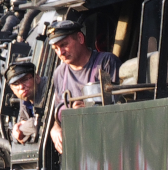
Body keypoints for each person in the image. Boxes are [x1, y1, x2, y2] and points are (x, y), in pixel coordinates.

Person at [46, 19, 120, 153]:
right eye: (56, 48)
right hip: (75, 151)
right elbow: (58, 113)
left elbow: (120, 109)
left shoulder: (106, 62)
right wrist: (55, 129)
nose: (60, 52)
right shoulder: (59, 73)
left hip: (106, 147)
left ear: (80, 38)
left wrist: (89, 111)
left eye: (64, 45)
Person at [7, 59, 42, 144]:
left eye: (25, 79)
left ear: (37, 78)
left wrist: (22, 128)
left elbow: (42, 124)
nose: (21, 87)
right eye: (15, 84)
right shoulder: (24, 99)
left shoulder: (48, 90)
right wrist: (19, 130)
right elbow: (16, 135)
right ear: (12, 89)